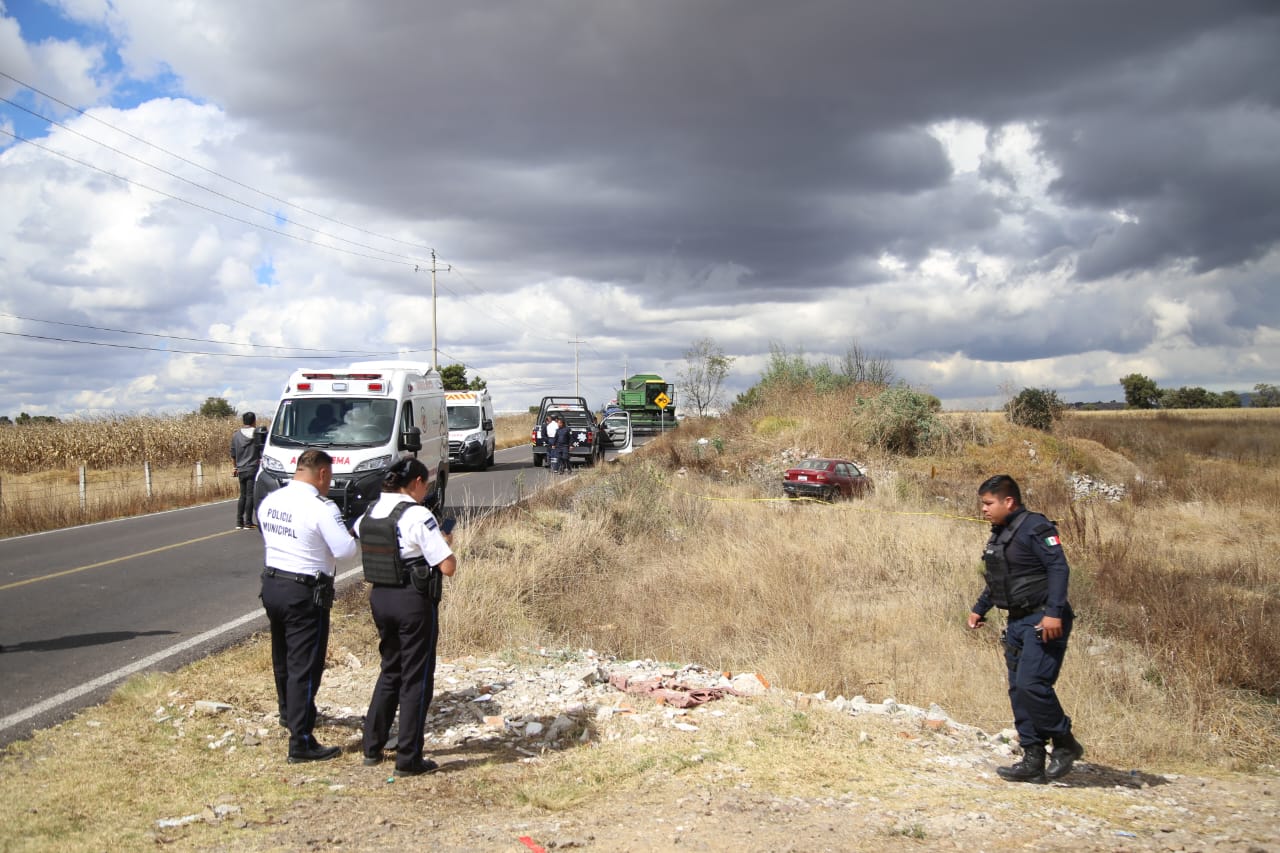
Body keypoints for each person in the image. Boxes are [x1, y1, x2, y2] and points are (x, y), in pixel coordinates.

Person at [967, 474, 1084, 783]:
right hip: (1017, 621)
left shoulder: (1035, 527)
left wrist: (1054, 613)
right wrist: (980, 609)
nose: (984, 509)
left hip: (1043, 619)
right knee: (1019, 690)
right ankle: (1032, 756)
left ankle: (1065, 743)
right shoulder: (1001, 534)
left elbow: (1059, 567)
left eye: (989, 503)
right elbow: (1002, 580)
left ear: (1009, 501)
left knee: (1033, 684)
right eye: (982, 503)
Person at [355, 458, 457, 776]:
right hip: (412, 601)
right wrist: (443, 542)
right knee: (416, 678)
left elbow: (360, 534)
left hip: (380, 597)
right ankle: (408, 757)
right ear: (413, 482)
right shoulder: (417, 514)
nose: (425, 489)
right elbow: (447, 566)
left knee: (390, 670)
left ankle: (372, 746)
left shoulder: (371, 512)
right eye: (424, 483)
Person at [257, 448, 359, 763]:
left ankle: (289, 714)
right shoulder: (321, 507)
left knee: (283, 658)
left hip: (273, 584)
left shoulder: (271, 500)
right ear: (323, 474)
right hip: (305, 591)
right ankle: (300, 741)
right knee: (306, 665)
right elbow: (344, 551)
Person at [231, 411, 263, 529]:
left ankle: (239, 522)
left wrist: (235, 467)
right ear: (254, 421)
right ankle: (248, 522)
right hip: (252, 467)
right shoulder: (256, 434)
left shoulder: (236, 435)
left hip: (241, 468)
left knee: (242, 495)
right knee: (250, 495)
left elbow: (233, 453)